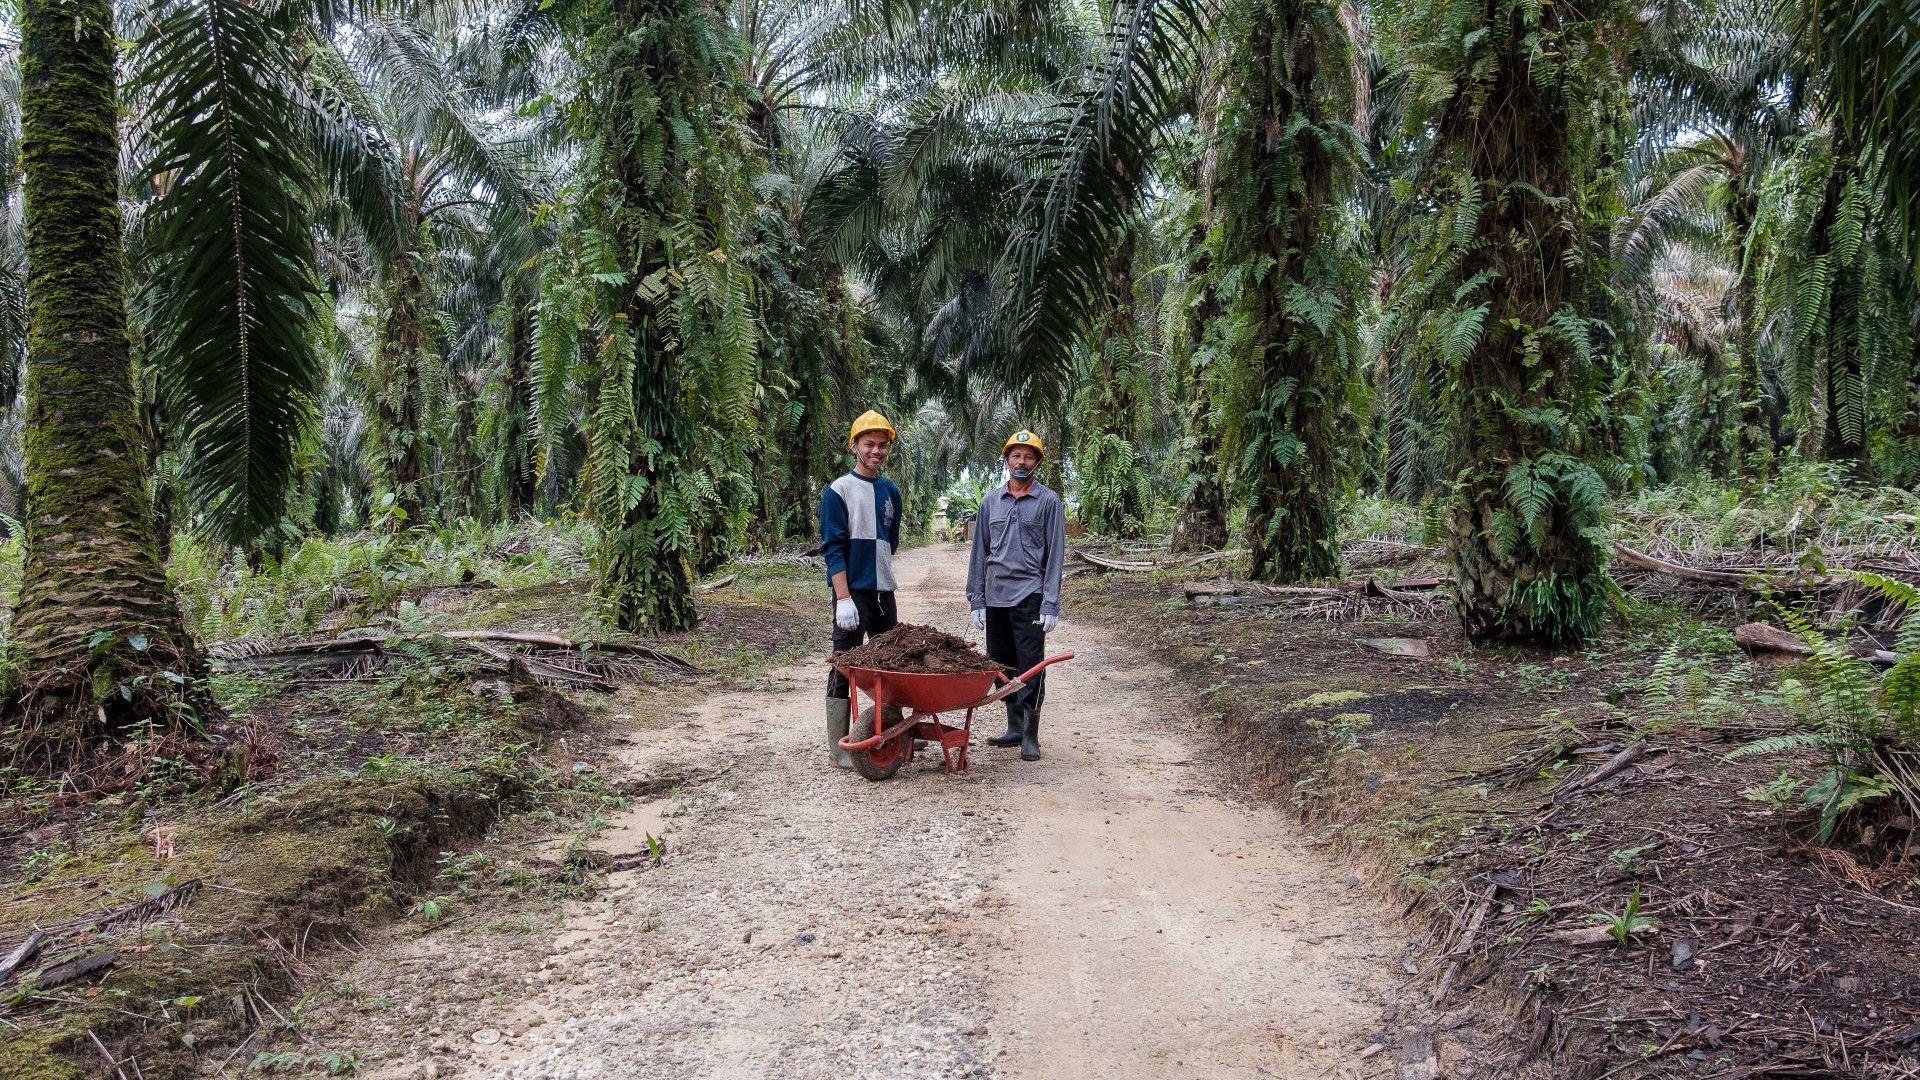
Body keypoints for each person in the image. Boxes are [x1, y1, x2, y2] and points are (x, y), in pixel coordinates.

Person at [966, 429, 1066, 761]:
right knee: (1001, 664)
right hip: (995, 597)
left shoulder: (1049, 502)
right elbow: (979, 553)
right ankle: (1012, 726)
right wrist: (976, 598)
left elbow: (1054, 556)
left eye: (1028, 456)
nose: (1021, 462)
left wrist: (1050, 602)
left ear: (1037, 462)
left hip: (1030, 596)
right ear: (1006, 460)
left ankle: (1030, 734)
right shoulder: (990, 502)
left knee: (1031, 665)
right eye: (1015, 456)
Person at [820, 410, 905, 769]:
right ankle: (840, 748)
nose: (876, 451)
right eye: (869, 444)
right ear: (854, 445)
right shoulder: (837, 491)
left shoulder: (890, 491)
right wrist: (843, 598)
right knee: (844, 665)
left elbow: (892, 540)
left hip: (884, 593)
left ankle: (895, 735)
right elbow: (833, 548)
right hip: (851, 594)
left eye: (882, 445)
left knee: (895, 664)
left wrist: (879, 573)